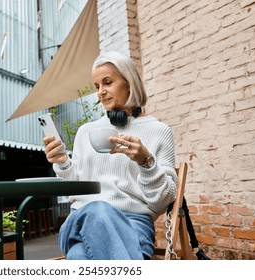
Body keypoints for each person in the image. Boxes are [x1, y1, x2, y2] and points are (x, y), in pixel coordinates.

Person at [43, 51, 177, 260]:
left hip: (133, 225)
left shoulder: (159, 131)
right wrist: (62, 163)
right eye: (97, 87)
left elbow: (163, 202)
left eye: (107, 83)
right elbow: (74, 189)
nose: (101, 92)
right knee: (98, 210)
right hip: (81, 221)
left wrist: (146, 163)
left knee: (79, 256)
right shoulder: (86, 132)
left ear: (129, 82)